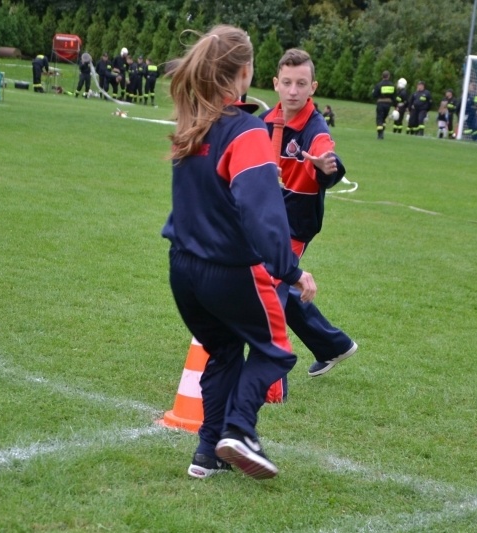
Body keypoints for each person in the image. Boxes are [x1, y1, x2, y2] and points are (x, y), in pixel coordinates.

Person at [162, 25, 316, 481]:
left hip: (182, 269)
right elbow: (262, 213)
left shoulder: (193, 124)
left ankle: (206, 453)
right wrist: (291, 271)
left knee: (225, 351)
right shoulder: (247, 130)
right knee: (276, 352)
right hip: (229, 269)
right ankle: (240, 430)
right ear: (245, 72)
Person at [259, 48, 357, 381]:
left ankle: (272, 378)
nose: (293, 91)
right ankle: (333, 345)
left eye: (301, 84)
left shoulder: (315, 127)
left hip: (295, 224)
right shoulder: (264, 122)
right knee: (271, 282)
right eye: (287, 82)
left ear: (313, 87)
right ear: (275, 83)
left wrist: (327, 167)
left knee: (269, 284)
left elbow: (326, 154)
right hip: (262, 219)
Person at [372, 70, 395, 139]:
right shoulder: (392, 85)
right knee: (384, 118)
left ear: (382, 76)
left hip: (380, 103)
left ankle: (380, 134)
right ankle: (382, 131)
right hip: (388, 104)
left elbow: (374, 94)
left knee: (379, 118)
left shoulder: (379, 85)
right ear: (389, 76)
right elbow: (394, 96)